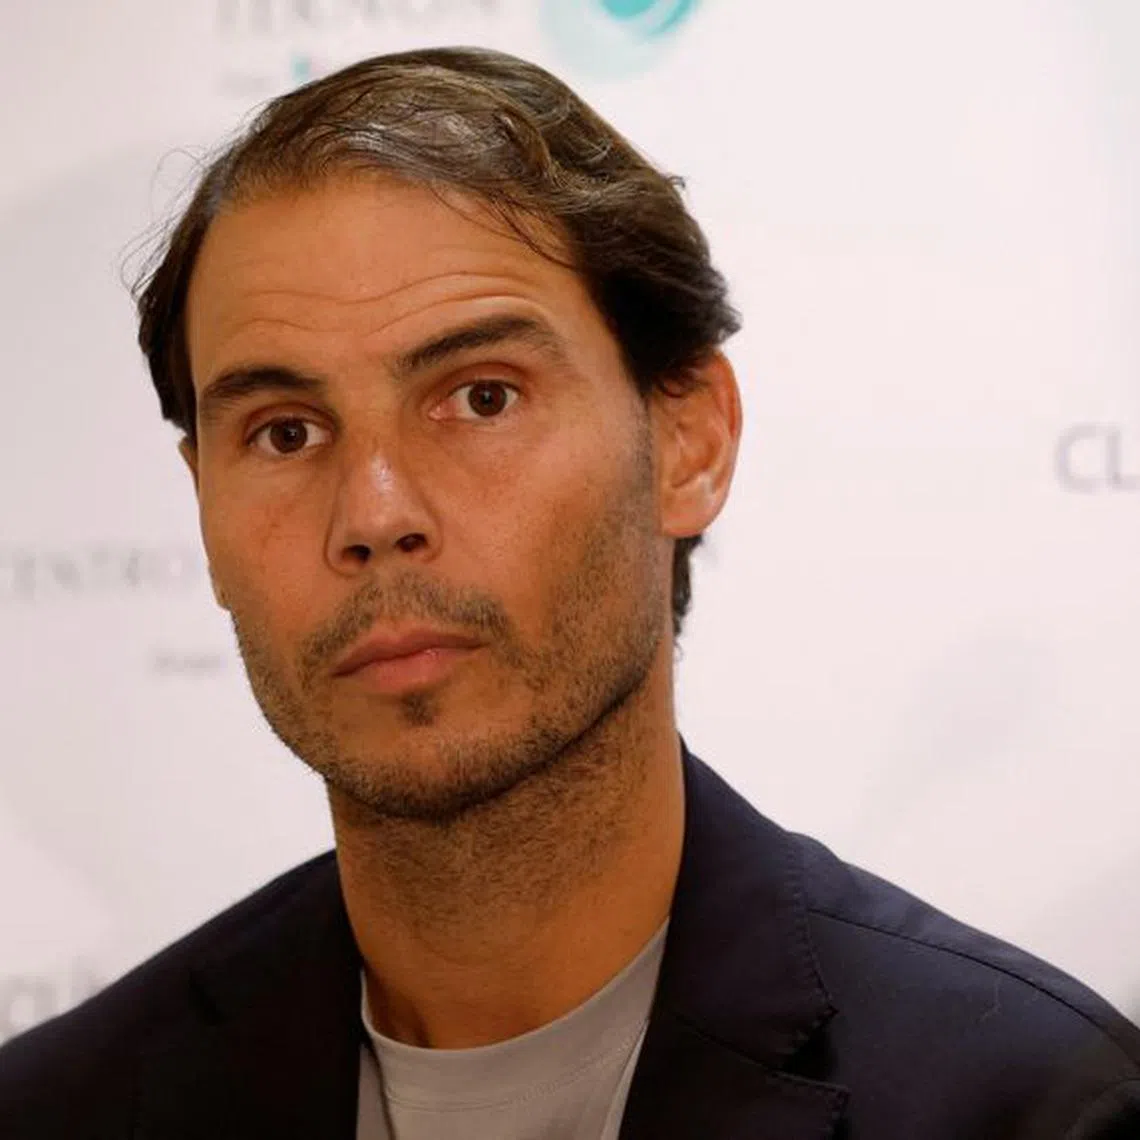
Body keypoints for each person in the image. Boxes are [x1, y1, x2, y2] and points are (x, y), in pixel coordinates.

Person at [1, 46, 1138, 1140]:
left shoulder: (1028, 1107)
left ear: (688, 443)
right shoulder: (58, 1111)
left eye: (481, 397)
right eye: (285, 432)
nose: (374, 513)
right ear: (202, 504)